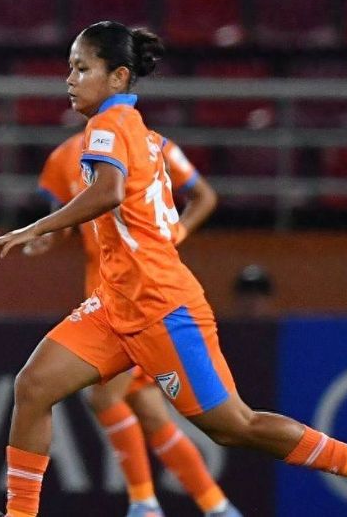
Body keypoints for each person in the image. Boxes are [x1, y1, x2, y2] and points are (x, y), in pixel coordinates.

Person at [0, 21, 347, 517]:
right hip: (115, 304)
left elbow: (109, 192)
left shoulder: (108, 125)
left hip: (163, 308)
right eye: (70, 68)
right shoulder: (142, 133)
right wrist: (53, 233)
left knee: (234, 427)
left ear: (118, 77)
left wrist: (35, 227)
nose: (69, 79)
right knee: (34, 386)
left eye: (82, 68)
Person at [27, 132, 239, 517]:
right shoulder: (63, 158)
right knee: (149, 412)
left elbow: (203, 195)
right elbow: (68, 220)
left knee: (104, 398)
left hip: (142, 300)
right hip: (104, 298)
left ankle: (144, 503)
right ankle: (216, 507)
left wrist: (176, 234)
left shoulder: (152, 144)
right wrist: (47, 237)